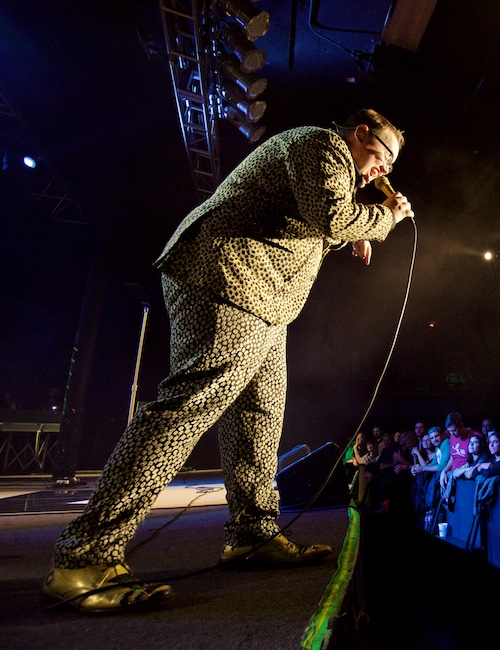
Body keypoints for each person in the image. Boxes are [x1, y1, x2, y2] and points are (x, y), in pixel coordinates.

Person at [43, 108, 414, 613]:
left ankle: (252, 536)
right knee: (188, 408)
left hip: (263, 298)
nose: (383, 170)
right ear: (360, 132)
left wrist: (352, 232)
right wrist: (382, 219)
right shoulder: (321, 145)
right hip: (225, 275)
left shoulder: (331, 168)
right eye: (382, 154)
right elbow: (329, 215)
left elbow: (310, 222)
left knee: (260, 419)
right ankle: (84, 557)